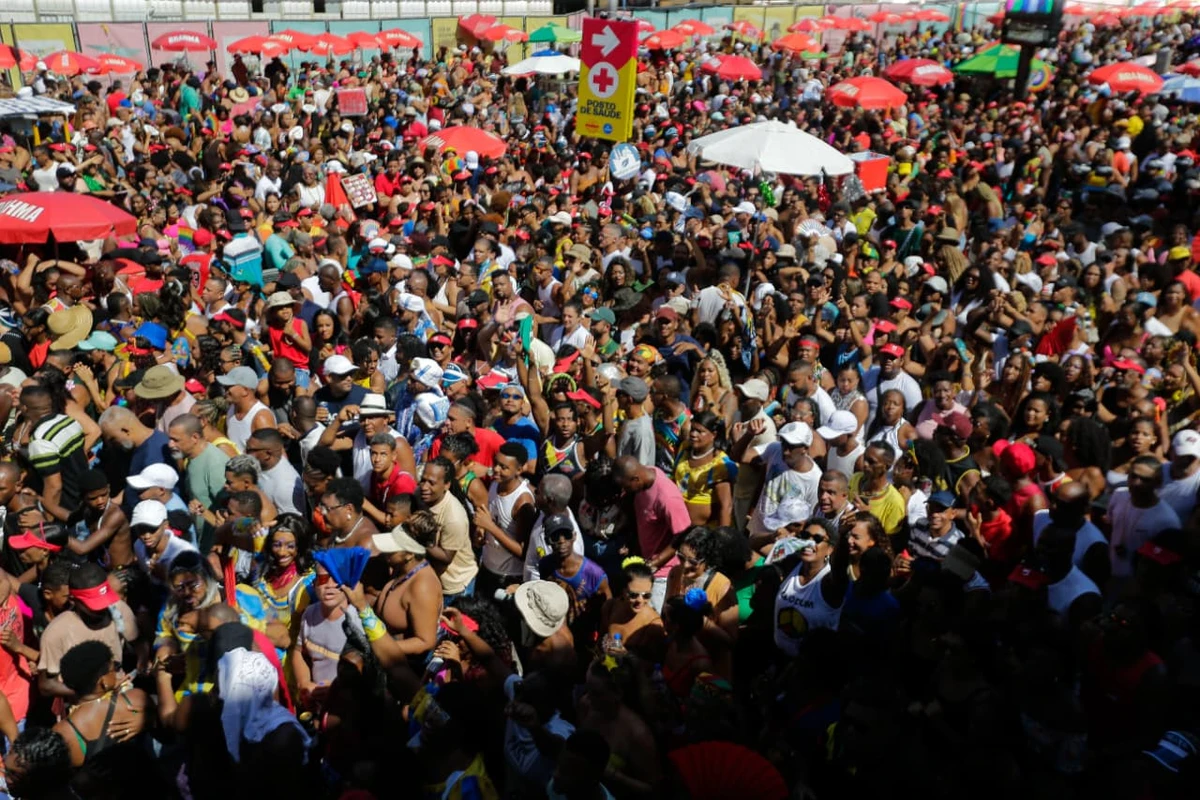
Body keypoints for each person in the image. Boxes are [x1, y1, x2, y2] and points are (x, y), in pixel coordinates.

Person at [342, 519, 441, 667]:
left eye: (392, 549)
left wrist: (377, 647)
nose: (385, 551)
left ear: (410, 554)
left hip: (402, 668)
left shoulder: (423, 587)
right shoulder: (400, 567)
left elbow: (425, 642)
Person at [613, 456, 692, 612]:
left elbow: (683, 534)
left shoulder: (667, 497)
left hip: (663, 573)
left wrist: (655, 563)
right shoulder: (648, 475)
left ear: (636, 479)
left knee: (651, 617)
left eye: (626, 487)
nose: (625, 491)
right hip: (645, 563)